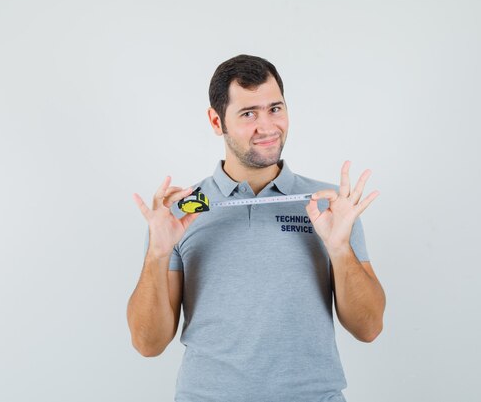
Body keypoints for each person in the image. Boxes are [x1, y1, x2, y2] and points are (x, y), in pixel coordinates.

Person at [127, 54, 386, 402]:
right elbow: (148, 344)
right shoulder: (179, 213)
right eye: (248, 114)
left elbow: (369, 329)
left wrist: (340, 249)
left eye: (275, 109)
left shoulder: (330, 207)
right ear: (216, 121)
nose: (267, 127)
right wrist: (156, 254)